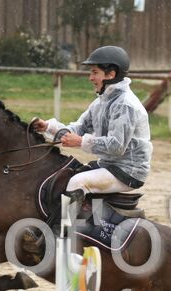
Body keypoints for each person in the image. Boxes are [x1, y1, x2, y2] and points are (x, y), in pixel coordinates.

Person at [24, 46, 152, 253]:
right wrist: (48, 127)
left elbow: (116, 146)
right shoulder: (101, 101)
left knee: (77, 182)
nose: (90, 78)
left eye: (94, 72)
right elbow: (77, 129)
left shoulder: (125, 105)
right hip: (109, 165)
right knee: (64, 176)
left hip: (128, 171)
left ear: (111, 74)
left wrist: (80, 142)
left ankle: (55, 239)